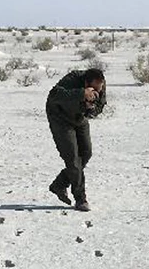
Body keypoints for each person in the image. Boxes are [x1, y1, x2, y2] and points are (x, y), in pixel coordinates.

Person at [46, 68, 106, 212]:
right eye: (92, 89)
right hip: (60, 119)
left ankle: (59, 184)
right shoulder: (73, 78)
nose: (97, 91)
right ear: (86, 82)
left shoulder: (100, 83)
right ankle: (80, 199)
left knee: (86, 153)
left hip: (79, 118)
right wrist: (81, 94)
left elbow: (100, 105)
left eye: (99, 88)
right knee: (72, 158)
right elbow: (54, 94)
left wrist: (91, 108)